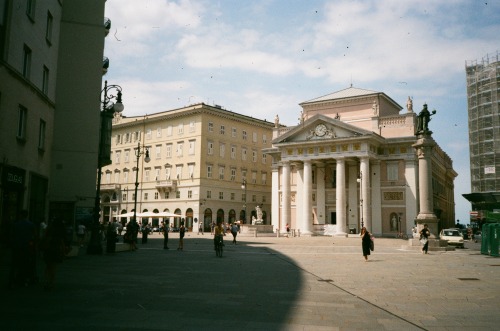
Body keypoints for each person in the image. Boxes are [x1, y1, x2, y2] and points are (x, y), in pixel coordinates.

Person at [8, 210, 37, 288]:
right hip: (27, 247)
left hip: (17, 247)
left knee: (14, 264)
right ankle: (24, 279)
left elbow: (12, 236)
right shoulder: (31, 225)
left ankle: (12, 280)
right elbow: (34, 236)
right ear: (27, 215)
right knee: (26, 263)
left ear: (20, 215)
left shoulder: (15, 224)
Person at [40, 218, 68, 290]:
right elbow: (62, 242)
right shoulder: (60, 232)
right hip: (56, 250)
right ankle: (51, 282)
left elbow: (45, 239)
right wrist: (64, 252)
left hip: (48, 249)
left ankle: (46, 281)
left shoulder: (49, 230)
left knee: (48, 266)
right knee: (53, 267)